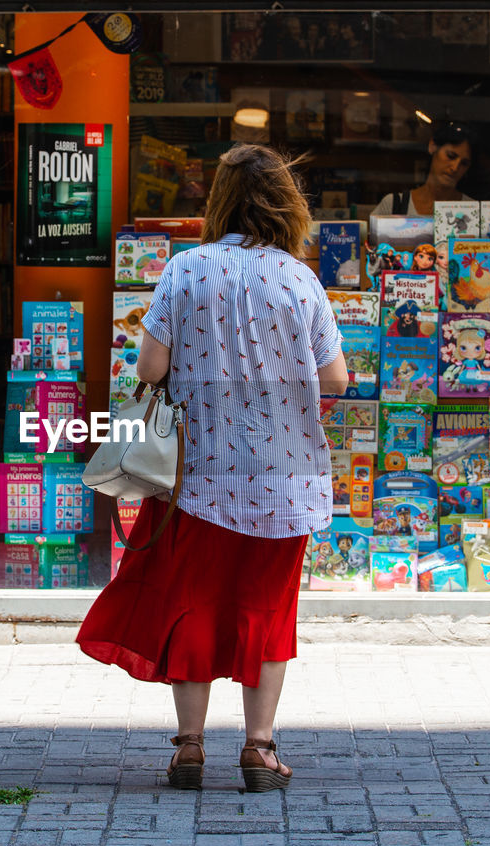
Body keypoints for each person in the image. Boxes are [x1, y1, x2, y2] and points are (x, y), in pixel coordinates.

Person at [76, 144, 349, 793]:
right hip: (284, 473)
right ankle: (259, 748)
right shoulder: (300, 280)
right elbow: (335, 377)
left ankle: (189, 747)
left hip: (196, 473)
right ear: (287, 205)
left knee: (191, 602)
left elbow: (148, 370)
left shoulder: (186, 270)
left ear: (219, 200)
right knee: (267, 608)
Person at [371, 121, 476, 217]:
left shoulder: (473, 211)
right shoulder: (393, 205)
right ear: (433, 146)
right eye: (450, 156)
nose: (455, 167)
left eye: (464, 163)